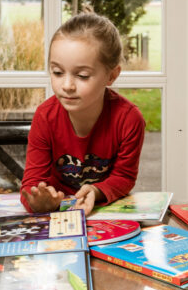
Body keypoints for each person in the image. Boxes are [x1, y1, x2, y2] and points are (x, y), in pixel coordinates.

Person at [20, 13, 146, 215]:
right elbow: (31, 183)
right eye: (57, 72)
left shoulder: (129, 119)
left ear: (111, 76)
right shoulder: (44, 117)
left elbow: (124, 177)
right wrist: (39, 202)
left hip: (103, 213)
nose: (67, 85)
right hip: (56, 215)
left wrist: (96, 191)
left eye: (82, 75)